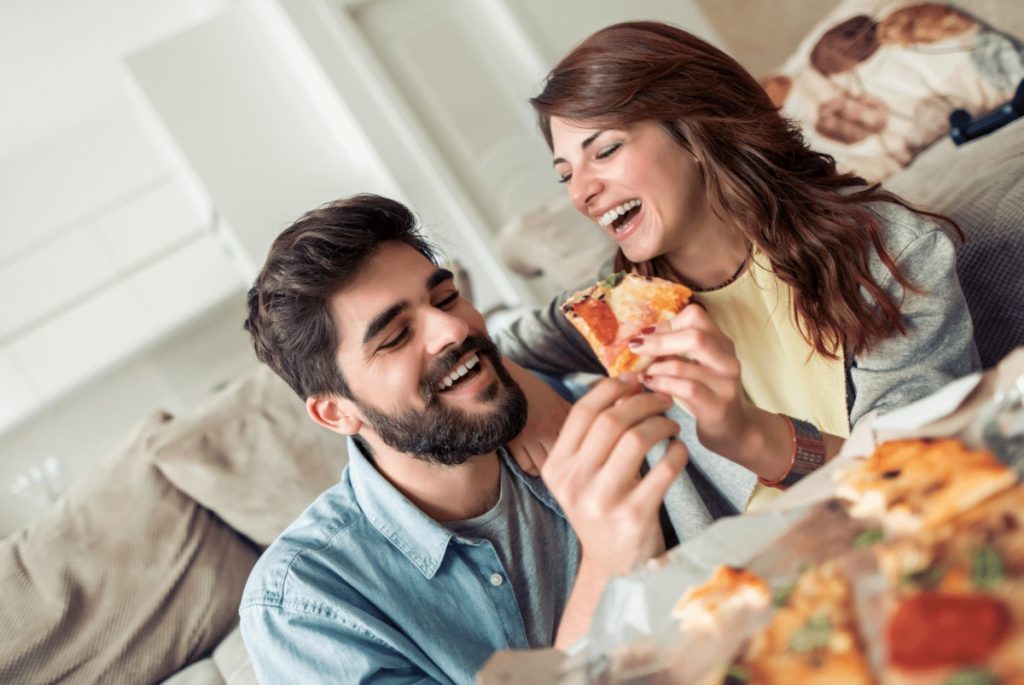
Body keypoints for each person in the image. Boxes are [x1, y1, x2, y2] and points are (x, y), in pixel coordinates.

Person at [497, 21, 979, 521]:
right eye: (566, 175)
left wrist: (747, 434)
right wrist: (522, 400)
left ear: (694, 124)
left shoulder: (888, 252)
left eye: (605, 150)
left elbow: (923, 474)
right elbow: (495, 344)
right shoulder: (615, 308)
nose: (580, 194)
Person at [238, 194, 687, 684]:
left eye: (445, 297)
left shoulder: (558, 407)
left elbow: (649, 286)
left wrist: (513, 365)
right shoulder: (305, 604)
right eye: (394, 337)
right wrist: (606, 565)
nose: (452, 327)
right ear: (336, 412)